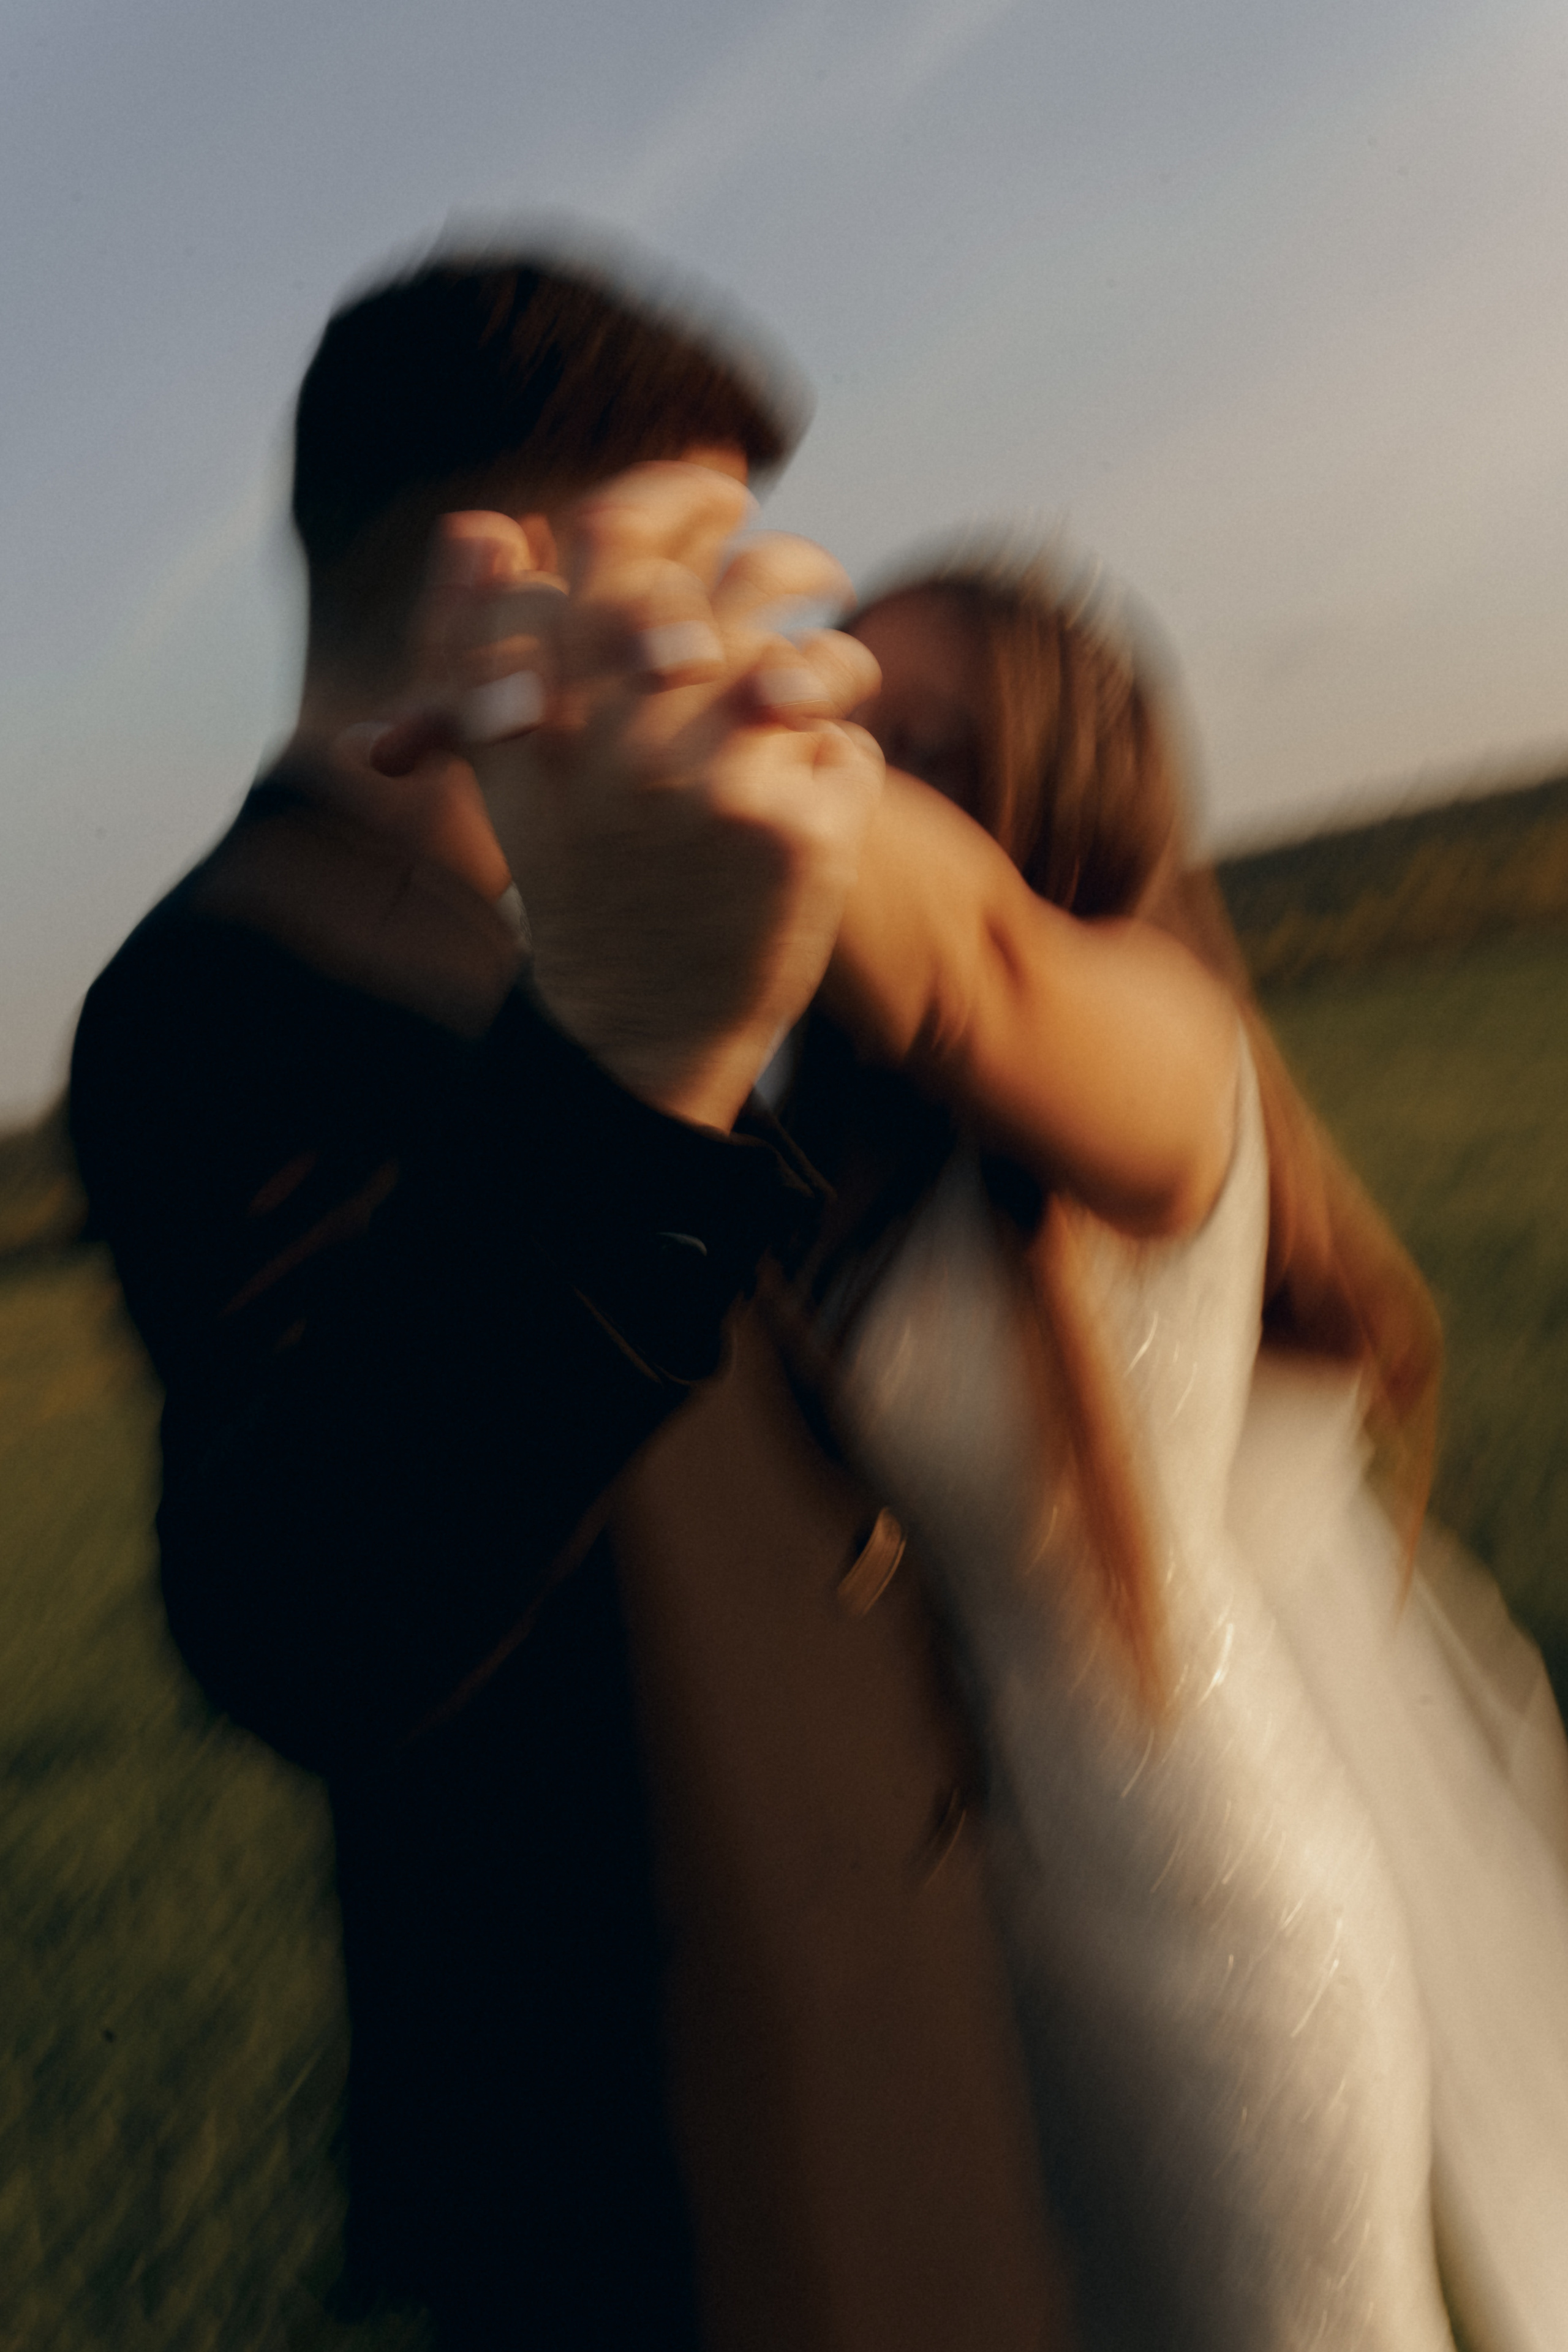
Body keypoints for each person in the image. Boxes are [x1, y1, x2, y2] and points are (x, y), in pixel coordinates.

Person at [70, 247, 1134, 2350]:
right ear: (505, 582)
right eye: (700, 561)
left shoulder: (562, 924)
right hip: (685, 2189)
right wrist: (640, 1051)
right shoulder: (227, 981)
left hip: (880, 2071)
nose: (767, 632)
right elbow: (304, 1608)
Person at [778, 549, 1568, 2351]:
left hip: (1208, 1919)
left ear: (1048, 797)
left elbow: (970, 961)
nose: (859, 767)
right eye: (843, 705)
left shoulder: (1156, 1034)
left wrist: (700, 717)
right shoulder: (838, 1160)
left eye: (927, 742)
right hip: (985, 1935)